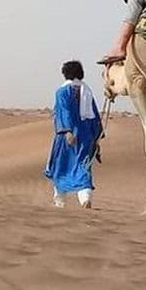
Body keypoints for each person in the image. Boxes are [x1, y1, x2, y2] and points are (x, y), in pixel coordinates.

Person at [44, 60, 103, 209]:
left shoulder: (62, 92)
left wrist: (68, 131)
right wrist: (96, 138)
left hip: (67, 136)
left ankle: (60, 202)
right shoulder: (87, 92)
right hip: (86, 136)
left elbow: (64, 112)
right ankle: (85, 198)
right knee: (83, 167)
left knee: (61, 167)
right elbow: (94, 116)